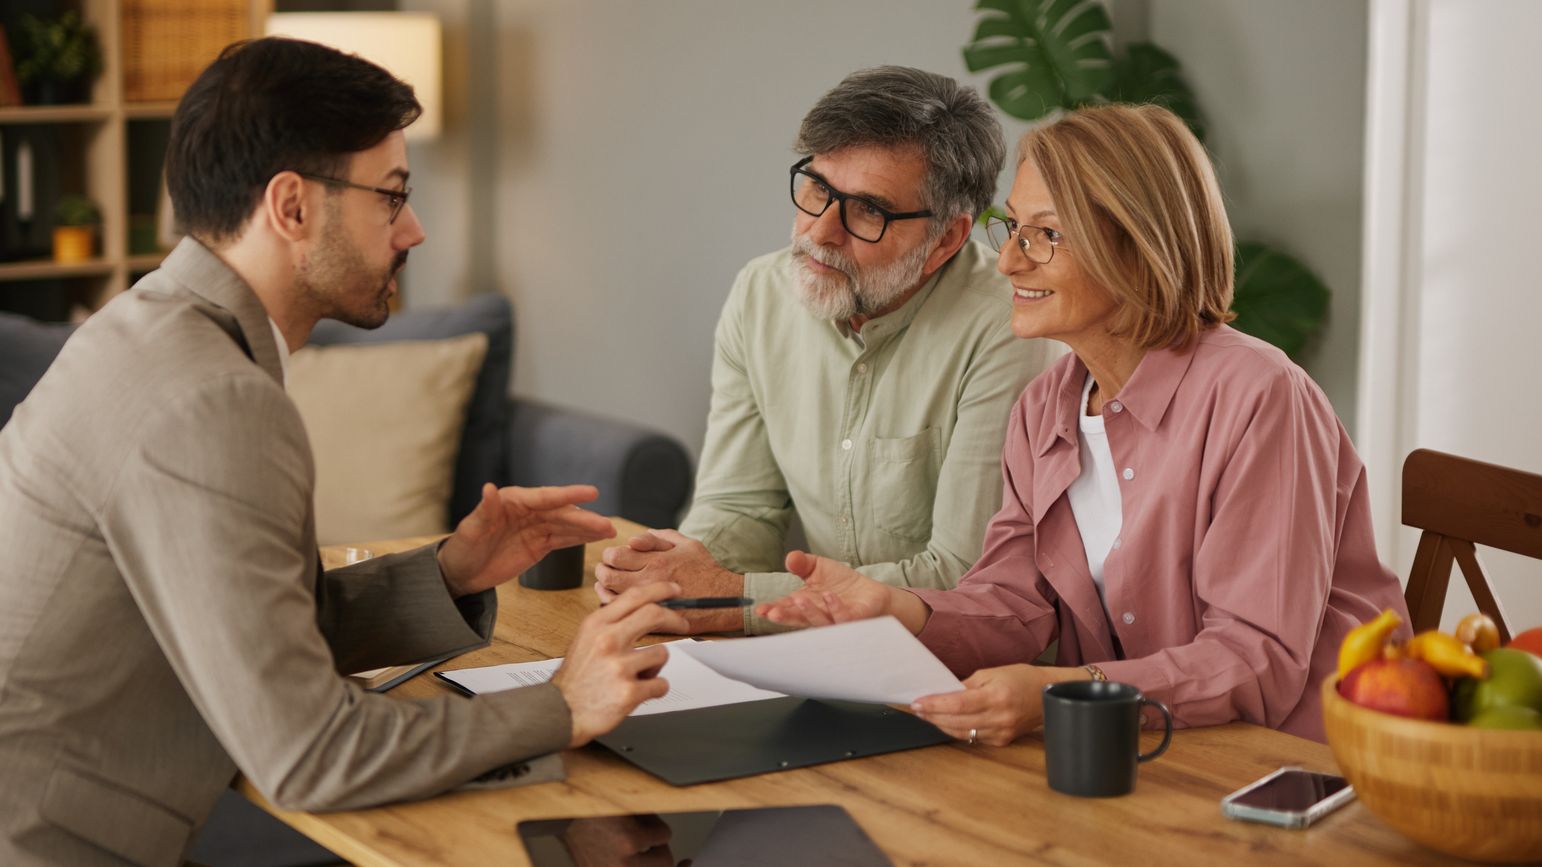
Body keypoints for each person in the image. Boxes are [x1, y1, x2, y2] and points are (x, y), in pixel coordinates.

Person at [0, 38, 688, 866]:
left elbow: (261, 629)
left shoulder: (155, 329)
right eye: (391, 197)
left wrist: (450, 571)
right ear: (291, 207)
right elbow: (309, 752)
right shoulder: (212, 400)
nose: (414, 229)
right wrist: (562, 705)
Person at [758, 103, 1409, 743]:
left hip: (1293, 765)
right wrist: (893, 606)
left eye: (1046, 234)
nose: (1009, 261)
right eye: (1011, 228)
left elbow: (1255, 657)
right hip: (1141, 755)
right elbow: (1014, 604)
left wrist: (1062, 694)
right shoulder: (1046, 408)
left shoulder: (1260, 397)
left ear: (1136, 246)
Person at [594, 66, 1059, 635]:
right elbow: (741, 507)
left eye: (868, 210)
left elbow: (961, 577)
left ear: (946, 240)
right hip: (808, 658)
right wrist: (669, 577)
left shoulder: (1009, 328)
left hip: (963, 674)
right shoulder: (760, 294)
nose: (819, 231)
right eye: (817, 187)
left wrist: (726, 597)